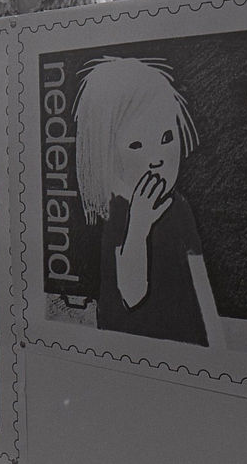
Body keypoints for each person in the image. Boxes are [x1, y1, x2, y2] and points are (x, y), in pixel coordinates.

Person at [73, 57, 212, 346]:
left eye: (167, 137)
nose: (157, 157)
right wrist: (138, 228)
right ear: (106, 156)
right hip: (133, 350)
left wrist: (216, 345)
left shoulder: (179, 208)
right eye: (136, 145)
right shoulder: (118, 215)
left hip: (188, 348)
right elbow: (131, 295)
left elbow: (200, 282)